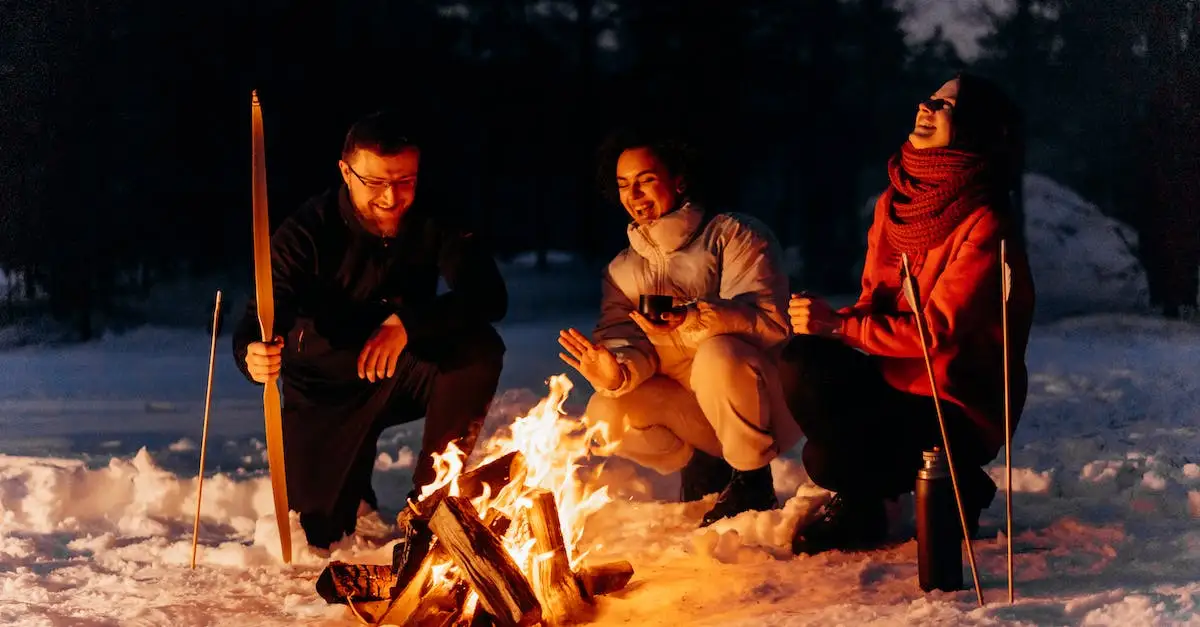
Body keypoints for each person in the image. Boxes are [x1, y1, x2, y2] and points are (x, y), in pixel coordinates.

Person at [781, 72, 1036, 554]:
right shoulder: (895, 203)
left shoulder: (985, 221)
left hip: (951, 406)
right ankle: (863, 501)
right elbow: (872, 299)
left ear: (973, 126)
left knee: (825, 458)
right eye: (930, 98)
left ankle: (956, 480)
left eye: (947, 106)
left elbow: (935, 332)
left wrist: (838, 325)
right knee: (802, 359)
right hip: (891, 382)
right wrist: (823, 323)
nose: (927, 107)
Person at [231, 111, 508, 550]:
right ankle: (351, 480)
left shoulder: (436, 215)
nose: (391, 196)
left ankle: (431, 501)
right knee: (317, 533)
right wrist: (252, 353)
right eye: (375, 182)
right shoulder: (306, 231)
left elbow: (489, 296)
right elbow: (260, 316)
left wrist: (408, 323)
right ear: (346, 171)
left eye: (404, 180)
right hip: (325, 388)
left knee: (478, 349)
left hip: (402, 371)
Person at [558, 128, 801, 527]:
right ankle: (702, 462)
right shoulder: (622, 270)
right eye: (624, 184)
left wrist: (694, 318)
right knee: (607, 408)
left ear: (679, 180)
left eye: (646, 180)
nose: (634, 195)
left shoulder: (734, 235)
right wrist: (617, 369)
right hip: (694, 414)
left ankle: (752, 480)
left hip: (765, 405)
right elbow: (627, 339)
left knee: (716, 354)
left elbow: (771, 322)